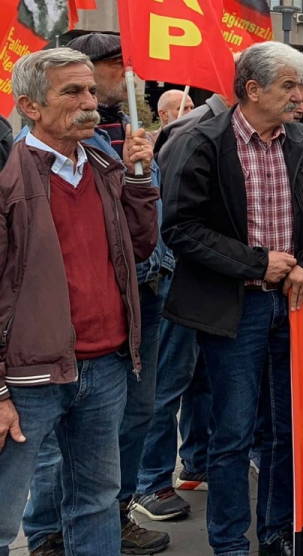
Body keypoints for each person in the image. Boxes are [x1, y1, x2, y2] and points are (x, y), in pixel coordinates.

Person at [160, 41, 303, 556]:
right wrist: (256, 263)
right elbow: (180, 228)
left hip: (294, 307)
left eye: (302, 84)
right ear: (252, 89)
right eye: (289, 85)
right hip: (235, 309)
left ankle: (277, 534)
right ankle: (229, 544)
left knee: (286, 430)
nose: (301, 95)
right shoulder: (201, 140)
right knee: (233, 433)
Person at [0, 48, 157, 556]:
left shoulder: (106, 165)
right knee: (2, 517)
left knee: (96, 502)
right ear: (30, 106)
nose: (90, 102)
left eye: (90, 90)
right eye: (72, 92)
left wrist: (139, 179)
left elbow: (139, 247)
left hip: (106, 366)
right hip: (29, 379)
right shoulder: (9, 177)